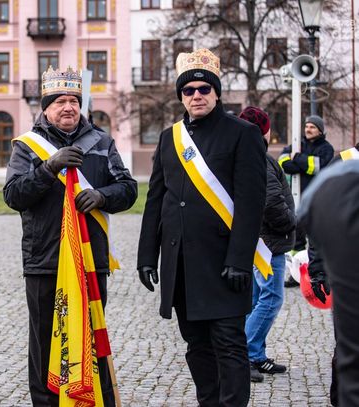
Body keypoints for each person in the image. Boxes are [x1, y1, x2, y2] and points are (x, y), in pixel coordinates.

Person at [137, 48, 267, 407]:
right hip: (180, 263)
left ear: (216, 93)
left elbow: (251, 203)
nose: (197, 95)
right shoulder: (170, 137)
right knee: (196, 344)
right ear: (181, 96)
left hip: (223, 263)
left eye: (204, 89)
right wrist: (147, 255)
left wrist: (240, 260)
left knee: (229, 344)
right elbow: (156, 199)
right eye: (189, 90)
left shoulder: (243, 134)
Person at [3, 66, 137, 407]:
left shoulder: (101, 142)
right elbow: (13, 195)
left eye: (74, 101)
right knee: (46, 344)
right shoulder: (28, 147)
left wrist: (103, 196)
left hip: (91, 260)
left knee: (92, 339)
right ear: (46, 108)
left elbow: (128, 188)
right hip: (45, 260)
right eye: (59, 101)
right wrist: (48, 169)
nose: (68, 107)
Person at [239, 107, 296, 383]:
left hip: (257, 240)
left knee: (254, 299)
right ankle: (246, 354)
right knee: (271, 298)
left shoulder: (245, 154)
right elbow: (271, 201)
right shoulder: (259, 159)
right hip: (270, 241)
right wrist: (290, 223)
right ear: (265, 131)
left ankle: (255, 355)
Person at [299, 159, 359, 407]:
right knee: (349, 347)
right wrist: (318, 270)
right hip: (349, 273)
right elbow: (311, 222)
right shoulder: (343, 164)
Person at [278, 115, 334, 287]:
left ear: (320, 130)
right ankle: (296, 275)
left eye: (312, 127)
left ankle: (319, 273)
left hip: (317, 198)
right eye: (307, 126)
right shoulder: (297, 144)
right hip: (297, 198)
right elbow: (283, 162)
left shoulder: (326, 148)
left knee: (316, 238)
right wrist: (302, 162)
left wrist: (297, 158)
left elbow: (317, 167)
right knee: (297, 239)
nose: (308, 129)